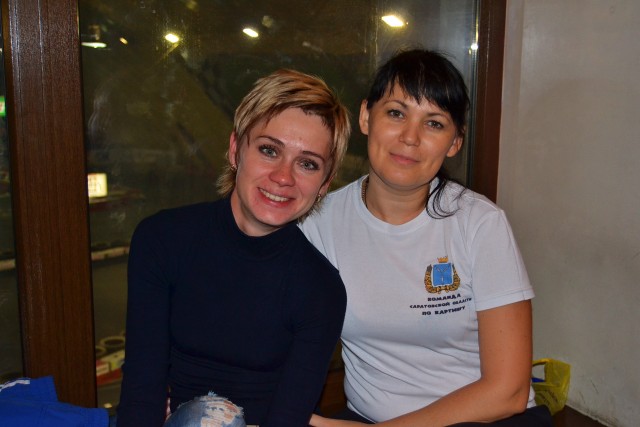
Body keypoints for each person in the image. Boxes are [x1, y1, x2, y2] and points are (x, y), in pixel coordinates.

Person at [300, 49, 553, 426]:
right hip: (367, 417)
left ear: (454, 142)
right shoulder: (319, 224)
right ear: (366, 116)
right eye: (396, 113)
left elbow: (509, 391)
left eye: (434, 123)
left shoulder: (480, 224)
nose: (410, 137)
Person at [117, 68, 351, 427]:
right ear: (235, 150)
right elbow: (141, 390)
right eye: (269, 150)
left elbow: (289, 417)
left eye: (307, 164)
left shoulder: (321, 289)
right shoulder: (162, 240)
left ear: (324, 184)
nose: (283, 177)